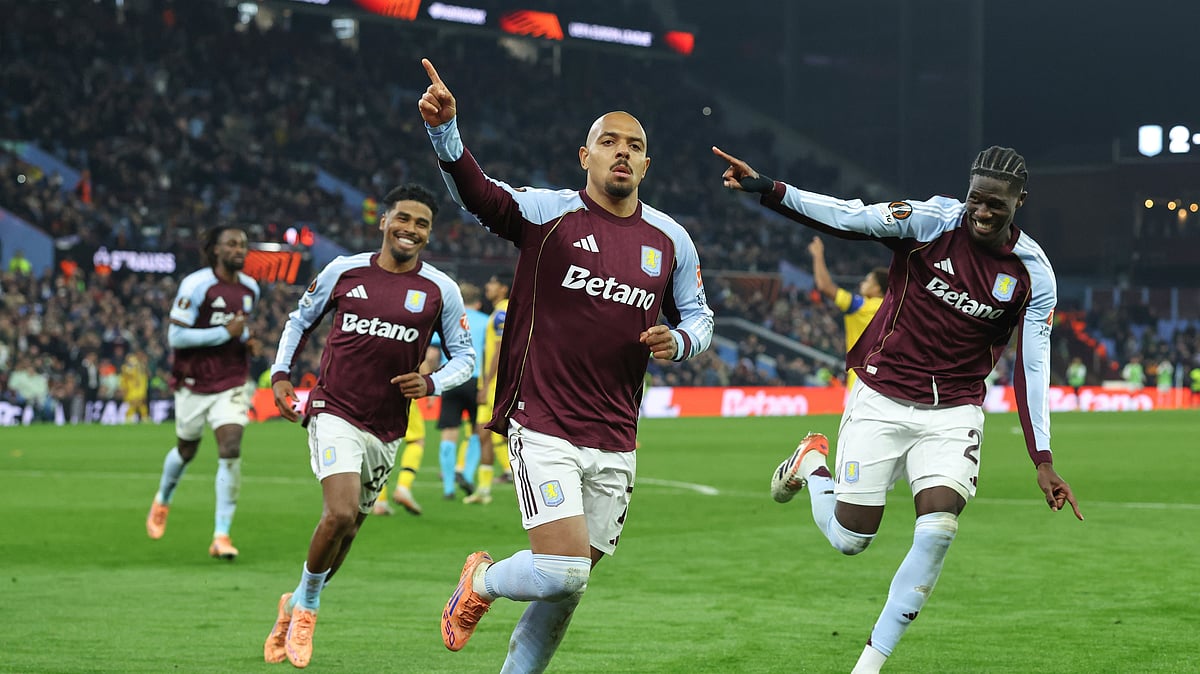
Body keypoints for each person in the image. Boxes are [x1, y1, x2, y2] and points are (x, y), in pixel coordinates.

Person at [713, 144, 1083, 673]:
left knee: (938, 530)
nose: (981, 212)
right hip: (882, 396)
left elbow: (1033, 364)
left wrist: (1042, 458)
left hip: (954, 411)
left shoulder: (1033, 274)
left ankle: (868, 666)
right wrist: (770, 189)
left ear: (1019, 202)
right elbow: (848, 217)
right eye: (976, 199)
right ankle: (812, 464)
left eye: (996, 205)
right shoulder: (930, 221)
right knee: (850, 539)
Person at [420, 58, 714, 671]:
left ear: (647, 166)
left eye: (635, 146)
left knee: (567, 586)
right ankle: (482, 580)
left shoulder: (671, 240)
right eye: (609, 142)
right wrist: (446, 131)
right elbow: (479, 194)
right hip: (544, 420)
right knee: (560, 569)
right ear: (585, 156)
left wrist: (681, 341)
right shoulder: (548, 214)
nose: (622, 152)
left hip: (617, 434)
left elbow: (700, 317)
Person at [262, 184, 475, 668]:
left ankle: (293, 603)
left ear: (430, 233)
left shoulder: (440, 290)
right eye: (403, 218)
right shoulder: (344, 271)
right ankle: (308, 611)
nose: (410, 229)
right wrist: (280, 374)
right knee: (337, 514)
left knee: (350, 530)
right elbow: (299, 321)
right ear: (383, 221)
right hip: (334, 409)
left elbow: (466, 358)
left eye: (421, 223)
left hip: (387, 426)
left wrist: (433, 382)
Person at [145, 226, 261, 560]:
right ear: (216, 250)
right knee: (186, 449)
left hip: (232, 380)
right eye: (232, 244)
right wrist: (225, 332)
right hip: (194, 381)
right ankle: (163, 498)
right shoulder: (196, 285)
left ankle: (221, 535)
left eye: (243, 245)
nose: (239, 250)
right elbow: (176, 337)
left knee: (231, 447)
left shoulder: (251, 288)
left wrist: (246, 340)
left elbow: (240, 327)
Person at [807, 236, 887, 390]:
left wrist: (817, 255)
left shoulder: (864, 306)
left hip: (860, 380)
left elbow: (824, 286)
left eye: (867, 281)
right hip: (883, 381)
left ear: (877, 289)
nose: (862, 283)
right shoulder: (893, 308)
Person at [463, 272, 512, 505]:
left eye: (493, 282)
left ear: (503, 288)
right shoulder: (498, 311)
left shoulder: (503, 312)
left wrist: (487, 383)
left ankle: (522, 478)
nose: (488, 286)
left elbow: (500, 350)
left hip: (495, 385)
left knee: (503, 434)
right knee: (483, 433)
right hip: (490, 384)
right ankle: (483, 490)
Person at [437, 282, 488, 501]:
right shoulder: (486, 322)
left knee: (449, 432)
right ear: (478, 302)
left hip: (450, 378)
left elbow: (432, 352)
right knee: (477, 431)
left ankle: (448, 488)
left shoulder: (447, 318)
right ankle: (466, 474)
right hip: (476, 380)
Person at [373, 398, 429, 516]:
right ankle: (403, 488)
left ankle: (379, 500)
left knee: (380, 441)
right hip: (402, 395)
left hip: (374, 397)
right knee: (416, 441)